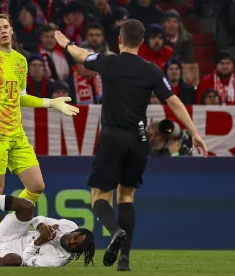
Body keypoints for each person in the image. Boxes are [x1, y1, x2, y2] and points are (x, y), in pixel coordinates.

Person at [53, 19, 209, 271]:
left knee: (99, 197)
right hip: (139, 140)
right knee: (126, 196)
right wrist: (194, 132)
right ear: (142, 41)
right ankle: (124, 261)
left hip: (113, 136)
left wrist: (67, 43)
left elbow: (82, 56)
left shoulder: (109, 62)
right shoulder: (152, 70)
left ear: (120, 40)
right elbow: (174, 101)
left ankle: (115, 231)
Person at [0, 13, 79, 248]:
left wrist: (52, 103)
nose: (2, 31)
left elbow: (21, 97)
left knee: (36, 186)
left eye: (5, 27)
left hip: (16, 135)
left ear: (11, 30)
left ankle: (7, 230)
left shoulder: (21, 60)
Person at [0, 179, 95, 267]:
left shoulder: (58, 260)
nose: (72, 241)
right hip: (9, 235)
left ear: (78, 252)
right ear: (75, 232)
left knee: (16, 260)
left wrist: (38, 241)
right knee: (27, 206)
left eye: (76, 245)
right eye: (75, 237)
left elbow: (24, 262)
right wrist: (41, 226)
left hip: (6, 253)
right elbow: (37, 218)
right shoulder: (69, 226)